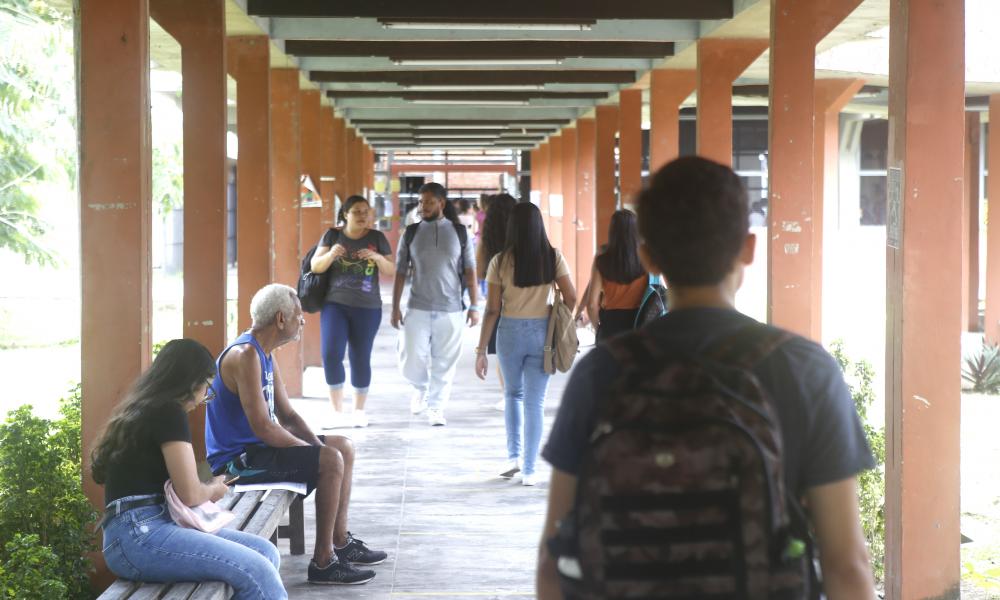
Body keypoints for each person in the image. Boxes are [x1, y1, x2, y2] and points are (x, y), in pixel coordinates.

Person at [537, 157, 876, 599]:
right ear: (749, 248)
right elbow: (846, 563)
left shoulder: (602, 372)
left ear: (649, 257)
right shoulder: (805, 370)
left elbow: (553, 562)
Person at [206, 284, 387, 586]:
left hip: (260, 450)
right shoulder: (245, 354)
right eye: (298, 316)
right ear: (280, 319)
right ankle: (324, 562)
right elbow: (264, 427)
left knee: (343, 447)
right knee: (330, 459)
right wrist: (315, 454)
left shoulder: (264, 353)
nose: (302, 321)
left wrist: (315, 447)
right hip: (237, 464)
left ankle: (340, 541)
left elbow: (287, 415)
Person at [91, 339, 287, 599]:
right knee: (256, 570)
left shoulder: (142, 408)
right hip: (139, 535)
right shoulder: (169, 412)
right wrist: (215, 489)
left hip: (139, 530)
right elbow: (190, 494)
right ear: (189, 382)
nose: (203, 399)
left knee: (265, 552)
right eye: (206, 389)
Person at [475, 202, 576, 486]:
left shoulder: (499, 261)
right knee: (535, 402)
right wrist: (557, 318)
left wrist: (481, 350)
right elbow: (571, 296)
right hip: (542, 333)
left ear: (512, 228)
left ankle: (513, 457)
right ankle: (530, 470)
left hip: (509, 332)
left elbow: (492, 309)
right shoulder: (553, 257)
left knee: (512, 395)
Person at [392, 182, 480, 426]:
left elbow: (470, 271)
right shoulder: (410, 233)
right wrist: (394, 306)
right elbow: (400, 272)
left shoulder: (460, 233)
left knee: (444, 362)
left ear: (441, 203)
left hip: (451, 309)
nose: (423, 206)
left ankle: (436, 408)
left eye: (429, 202)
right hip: (417, 306)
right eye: (420, 202)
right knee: (410, 358)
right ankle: (420, 387)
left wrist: (474, 306)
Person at [310, 195, 395, 429]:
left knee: (360, 356)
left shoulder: (377, 238)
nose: (363, 215)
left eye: (366, 211)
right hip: (335, 305)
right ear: (345, 214)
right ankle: (336, 411)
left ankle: (359, 411)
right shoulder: (332, 235)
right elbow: (315, 266)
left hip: (368, 307)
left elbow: (391, 270)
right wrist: (332, 254)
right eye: (357, 211)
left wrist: (377, 257)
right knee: (330, 354)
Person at [476, 193, 518, 411]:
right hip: (529, 308)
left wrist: (480, 349)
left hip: (501, 308)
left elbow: (480, 272)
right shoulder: (527, 241)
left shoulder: (490, 244)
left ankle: (509, 394)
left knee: (504, 355)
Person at [583, 209, 648, 341]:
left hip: (611, 325)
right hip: (640, 321)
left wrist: (599, 329)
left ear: (612, 231)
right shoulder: (646, 260)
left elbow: (591, 304)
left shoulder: (602, 260)